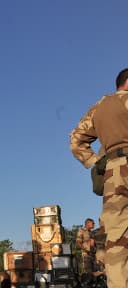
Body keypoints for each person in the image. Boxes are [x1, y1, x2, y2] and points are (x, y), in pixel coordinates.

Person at [70, 68, 128, 288]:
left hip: (114, 173)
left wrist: (96, 162)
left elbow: (76, 140)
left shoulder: (100, 107)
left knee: (117, 240)